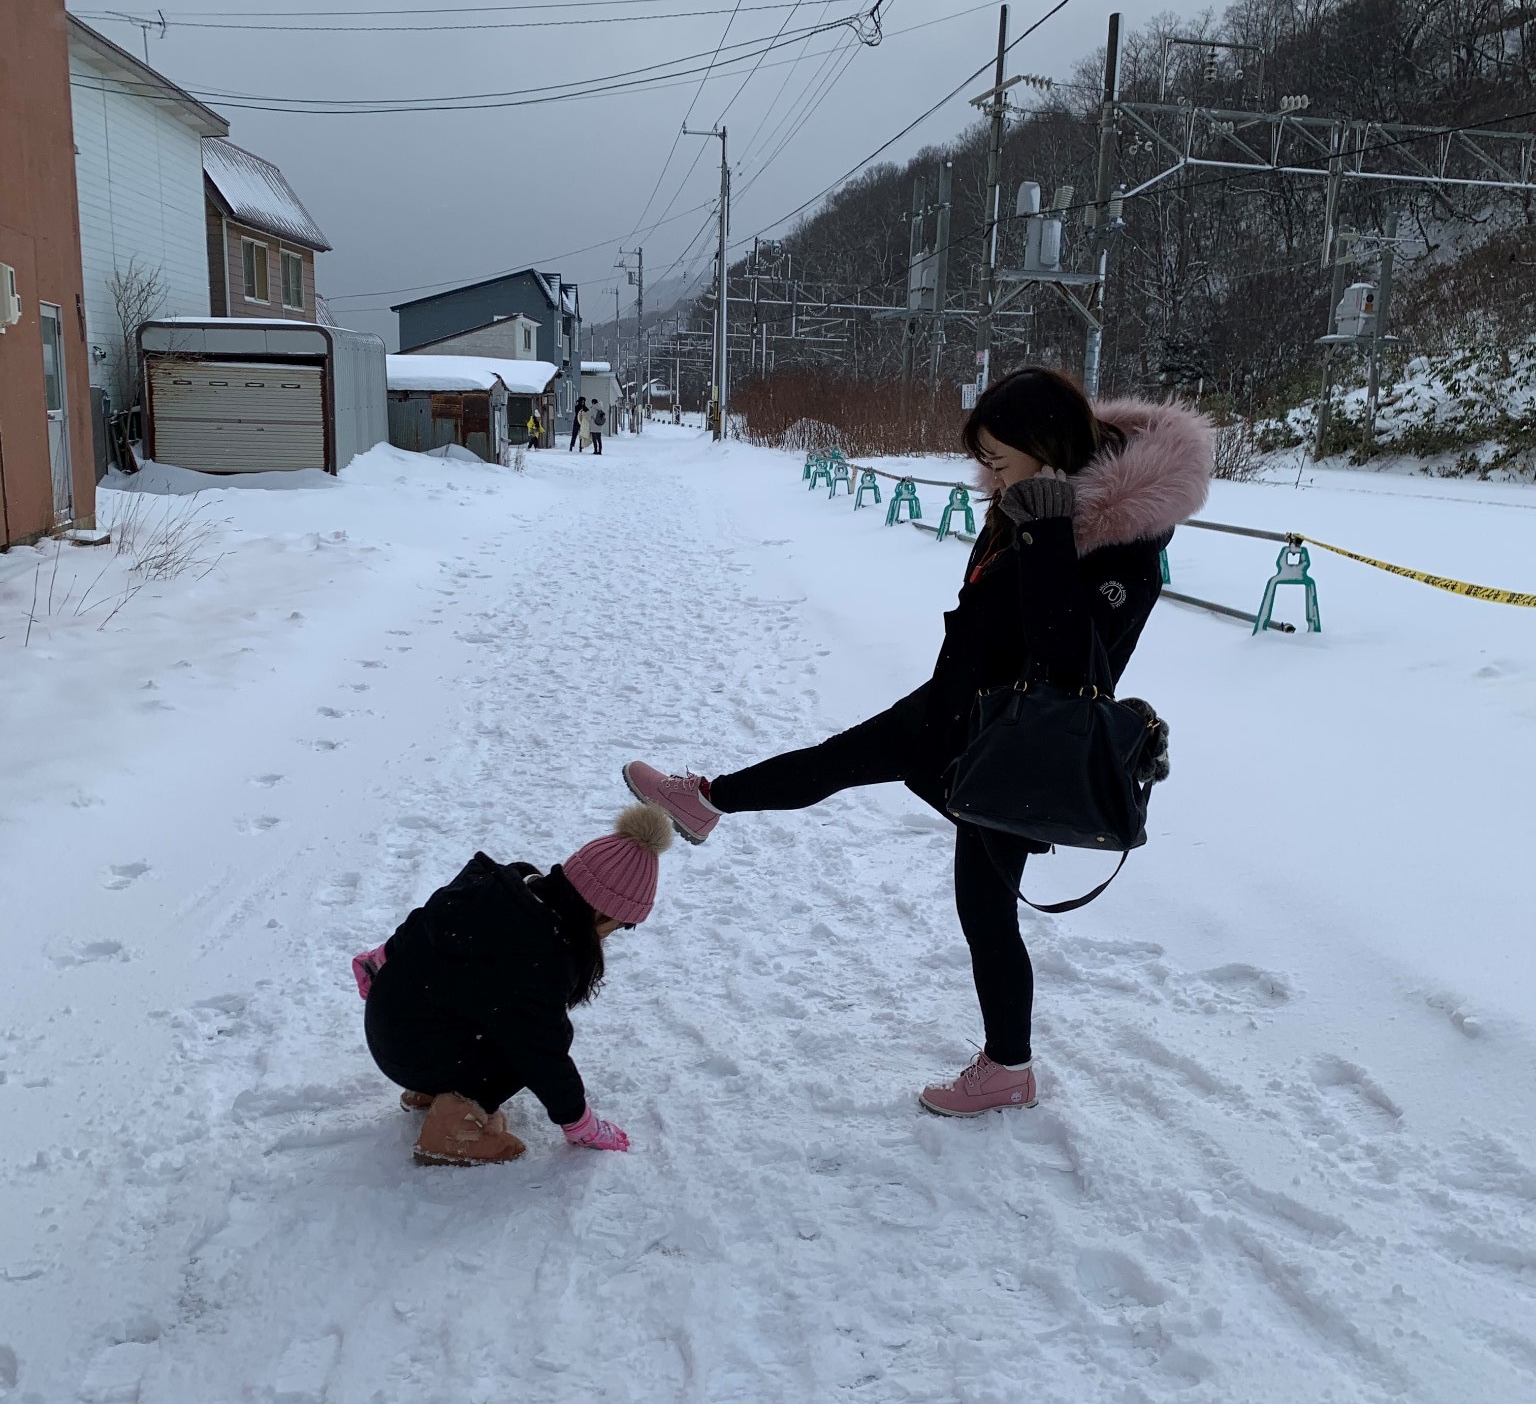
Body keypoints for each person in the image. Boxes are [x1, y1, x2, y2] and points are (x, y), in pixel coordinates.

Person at [622, 367, 1210, 1118]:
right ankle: (706, 802)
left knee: (985, 908)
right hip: (958, 706)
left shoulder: (1118, 541)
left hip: (1016, 742)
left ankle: (1009, 1067)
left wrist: (1049, 532)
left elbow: (1068, 655)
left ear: (1046, 447)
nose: (987, 476)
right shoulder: (1033, 498)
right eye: (985, 460)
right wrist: (1030, 519)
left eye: (999, 459)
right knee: (840, 762)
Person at [351, 804, 675, 1164]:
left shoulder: (507, 888)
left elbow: (430, 916)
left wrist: (382, 959)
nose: (608, 938)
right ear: (601, 911)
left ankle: (431, 1091)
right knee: (529, 1043)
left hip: (393, 1023)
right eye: (618, 926)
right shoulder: (540, 956)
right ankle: (448, 1131)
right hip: (412, 1050)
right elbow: (542, 1053)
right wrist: (579, 1122)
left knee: (495, 1017)